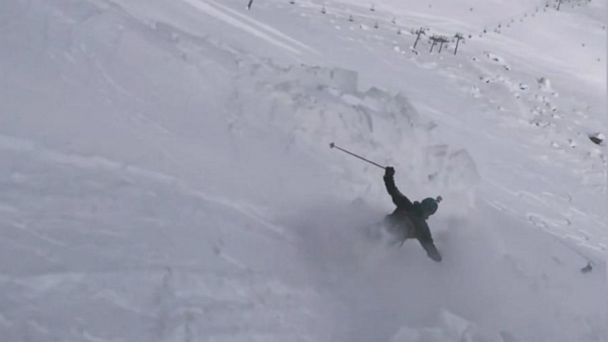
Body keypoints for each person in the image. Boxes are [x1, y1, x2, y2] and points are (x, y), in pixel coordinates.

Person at [383, 166, 442, 262]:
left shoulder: (406, 204)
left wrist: (388, 176)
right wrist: (439, 258)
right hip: (388, 241)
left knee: (364, 239)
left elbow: (393, 190)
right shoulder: (423, 228)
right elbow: (430, 249)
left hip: (382, 231)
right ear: (429, 214)